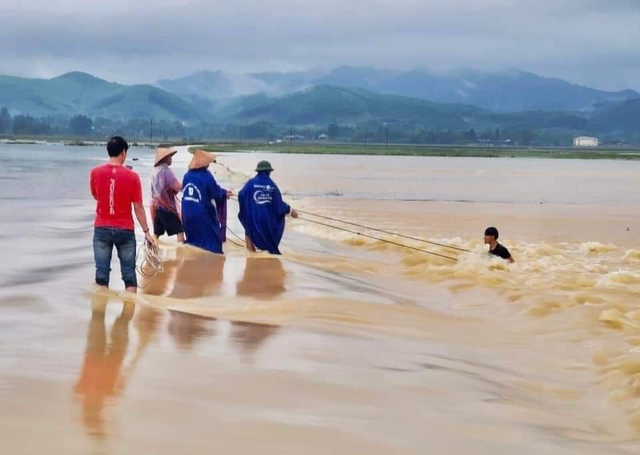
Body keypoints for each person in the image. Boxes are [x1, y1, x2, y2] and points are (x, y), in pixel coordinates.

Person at [90, 137, 154, 293]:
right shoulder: (133, 176)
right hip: (125, 230)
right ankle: (129, 311)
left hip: (102, 229)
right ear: (124, 152)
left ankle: (99, 314)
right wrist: (146, 232)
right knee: (129, 274)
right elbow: (138, 207)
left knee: (101, 273)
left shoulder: (95, 172)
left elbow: (96, 196)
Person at [238, 160, 298, 255]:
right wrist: (290, 210)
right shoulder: (272, 185)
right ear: (269, 172)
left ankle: (252, 257)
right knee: (269, 236)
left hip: (254, 217)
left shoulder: (251, 183)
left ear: (258, 171)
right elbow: (278, 204)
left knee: (248, 234)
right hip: (268, 220)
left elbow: (241, 194)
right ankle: (267, 254)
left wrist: (248, 205)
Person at [181, 150, 232, 254]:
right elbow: (215, 193)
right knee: (213, 242)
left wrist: (222, 192)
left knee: (194, 242)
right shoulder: (206, 176)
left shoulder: (187, 175)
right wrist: (224, 193)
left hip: (186, 212)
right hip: (202, 213)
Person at [151, 147, 184, 242]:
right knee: (180, 230)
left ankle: (151, 250)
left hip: (157, 207)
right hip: (167, 208)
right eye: (170, 156)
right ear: (165, 158)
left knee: (157, 233)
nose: (171, 158)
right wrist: (187, 185)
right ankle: (180, 253)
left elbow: (155, 191)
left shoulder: (155, 173)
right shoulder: (167, 171)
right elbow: (176, 186)